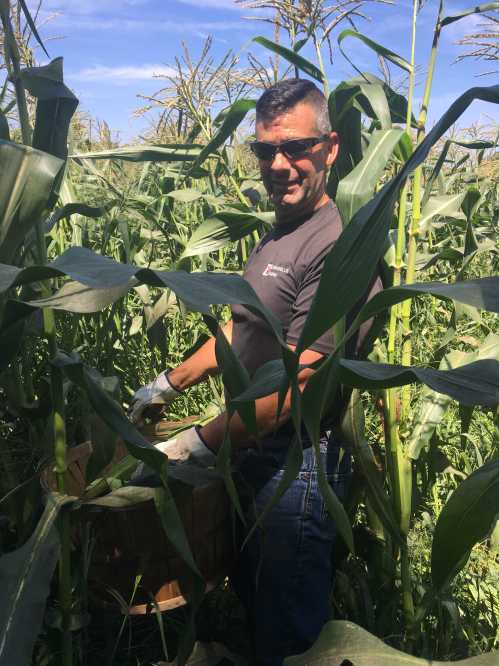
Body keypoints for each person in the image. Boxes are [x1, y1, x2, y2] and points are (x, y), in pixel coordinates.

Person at [130, 79, 381, 665]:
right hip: (249, 449)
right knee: (253, 599)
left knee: (288, 634)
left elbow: (295, 393)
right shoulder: (279, 234)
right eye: (266, 150)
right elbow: (243, 328)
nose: (280, 165)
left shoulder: (341, 251)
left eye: (295, 147)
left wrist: (193, 442)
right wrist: (170, 382)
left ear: (332, 147)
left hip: (297, 466)